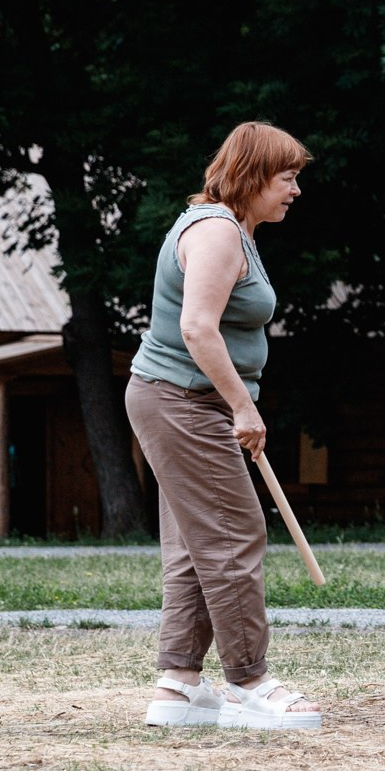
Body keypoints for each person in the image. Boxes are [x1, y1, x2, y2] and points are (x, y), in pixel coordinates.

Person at [124, 121, 322, 731]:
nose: (294, 191)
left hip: (184, 400)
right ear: (253, 176)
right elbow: (196, 329)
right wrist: (242, 405)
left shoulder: (236, 229)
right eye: (287, 178)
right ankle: (250, 682)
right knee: (235, 535)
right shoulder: (215, 232)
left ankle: (180, 685)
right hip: (184, 400)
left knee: (194, 544)